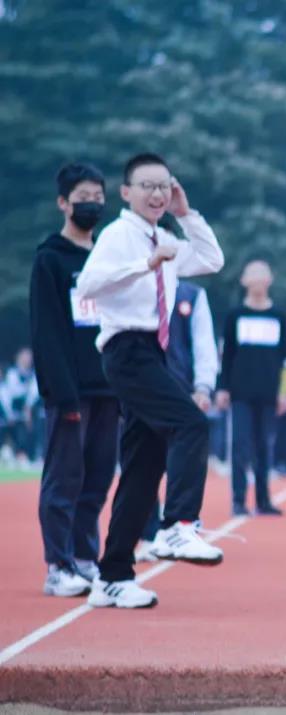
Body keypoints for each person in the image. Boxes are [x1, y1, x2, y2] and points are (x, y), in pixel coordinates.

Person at [75, 153, 225, 609]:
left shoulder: (165, 235)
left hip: (155, 355)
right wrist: (145, 264)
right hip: (127, 350)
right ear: (126, 192)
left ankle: (112, 576)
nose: (157, 193)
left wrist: (186, 214)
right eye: (147, 186)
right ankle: (178, 526)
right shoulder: (121, 235)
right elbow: (88, 286)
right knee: (192, 424)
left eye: (164, 186)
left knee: (143, 469)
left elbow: (213, 261)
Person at [30, 162, 120, 597]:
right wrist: (62, 395)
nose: (92, 204)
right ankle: (57, 566)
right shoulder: (50, 260)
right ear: (63, 203)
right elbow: (47, 333)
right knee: (65, 477)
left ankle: (85, 557)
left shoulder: (107, 259)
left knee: (98, 477)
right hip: (71, 391)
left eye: (99, 197)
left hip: (110, 387)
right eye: (83, 197)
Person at [137, 279, 218, 562]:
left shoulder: (192, 294)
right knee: (143, 462)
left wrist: (203, 386)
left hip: (181, 387)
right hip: (141, 387)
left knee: (181, 458)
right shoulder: (137, 284)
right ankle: (147, 533)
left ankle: (176, 525)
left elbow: (203, 341)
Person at [217, 260, 286, 516]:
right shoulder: (235, 316)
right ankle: (238, 500)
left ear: (270, 280)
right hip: (240, 393)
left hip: (269, 393)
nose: (258, 280)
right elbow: (226, 355)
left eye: (263, 274)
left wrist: (284, 392)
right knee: (240, 446)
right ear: (244, 280)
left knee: (264, 446)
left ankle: (263, 500)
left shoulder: (279, 317)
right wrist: (223, 388)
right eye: (253, 274)